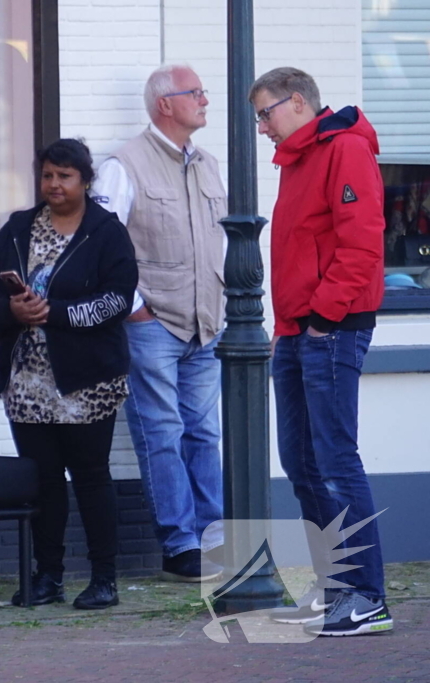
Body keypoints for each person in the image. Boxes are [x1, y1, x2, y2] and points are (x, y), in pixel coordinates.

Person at [251, 67, 391, 637]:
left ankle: (366, 596)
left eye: (266, 113)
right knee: (302, 464)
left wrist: (321, 319)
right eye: (258, 116)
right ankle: (337, 588)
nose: (261, 127)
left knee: (334, 461)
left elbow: (362, 243)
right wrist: (290, 328)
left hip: (329, 328)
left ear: (300, 103)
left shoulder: (345, 151)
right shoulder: (300, 159)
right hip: (297, 330)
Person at [0, 138, 138, 611]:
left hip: (88, 381)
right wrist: (11, 309)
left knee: (90, 477)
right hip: (27, 381)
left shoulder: (105, 233)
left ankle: (104, 578)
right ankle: (48, 577)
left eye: (65, 176)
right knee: (43, 481)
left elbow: (117, 302)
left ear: (85, 181)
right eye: (48, 175)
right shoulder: (17, 229)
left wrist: (54, 314)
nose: (54, 185)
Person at [91, 64, 226, 582]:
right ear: (165, 104)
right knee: (162, 433)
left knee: (204, 434)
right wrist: (134, 308)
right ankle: (180, 545)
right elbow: (102, 244)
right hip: (152, 325)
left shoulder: (209, 164)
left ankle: (214, 541)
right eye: (197, 93)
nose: (206, 101)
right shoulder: (123, 166)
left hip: (207, 327)